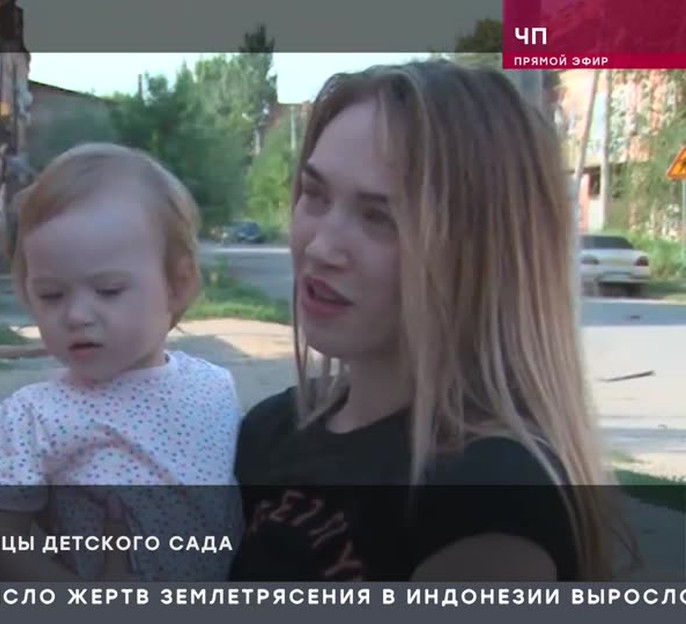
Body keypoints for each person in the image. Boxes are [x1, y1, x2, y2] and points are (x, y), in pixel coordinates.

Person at [225, 60, 639, 582]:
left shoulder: (490, 494)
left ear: (481, 254)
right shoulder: (268, 430)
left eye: (380, 217)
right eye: (315, 194)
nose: (321, 246)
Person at [0, 142, 245, 582]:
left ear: (178, 285)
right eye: (52, 295)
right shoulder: (34, 416)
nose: (77, 315)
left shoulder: (216, 389)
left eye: (109, 290)